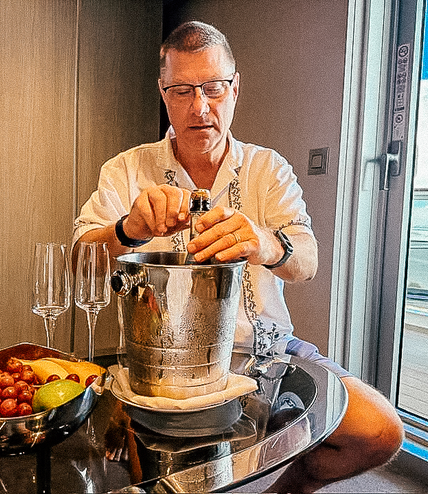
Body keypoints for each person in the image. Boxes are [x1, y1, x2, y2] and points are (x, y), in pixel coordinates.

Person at [73, 20, 403, 493]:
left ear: (235, 88)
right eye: (182, 90)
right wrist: (129, 228)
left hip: (268, 352)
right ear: (163, 92)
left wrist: (265, 244)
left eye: (213, 87)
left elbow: (306, 262)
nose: (200, 107)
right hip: (160, 367)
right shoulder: (127, 169)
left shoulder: (267, 168)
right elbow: (79, 261)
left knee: (380, 431)